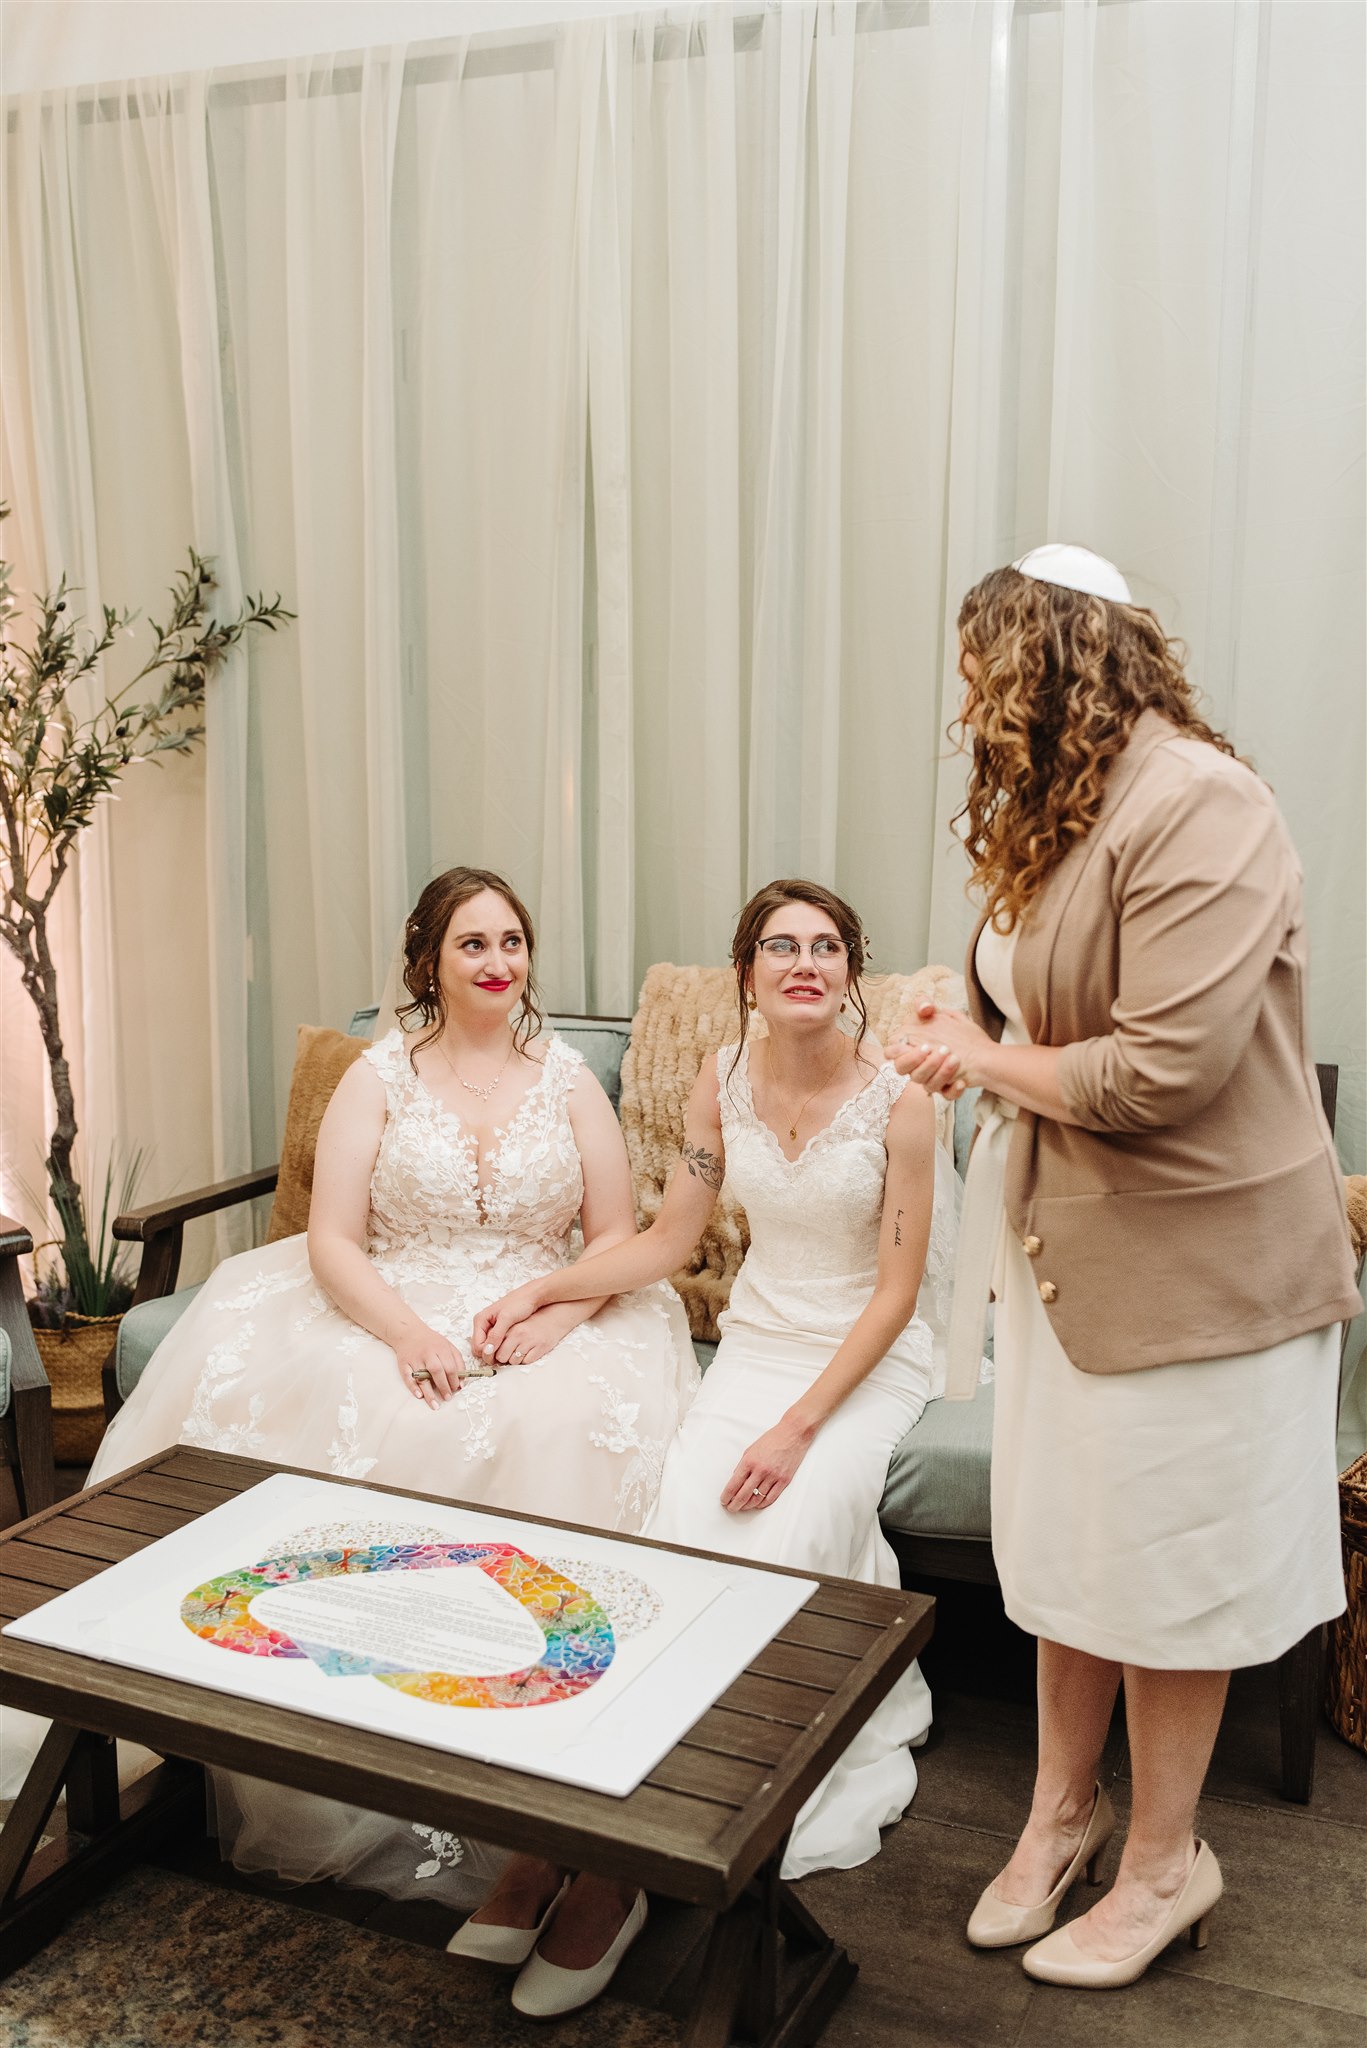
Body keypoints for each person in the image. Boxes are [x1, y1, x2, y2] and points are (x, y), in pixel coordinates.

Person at [887, 545, 1359, 1989]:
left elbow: (1164, 1066)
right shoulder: (1064, 813)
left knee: (1164, 1579)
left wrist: (976, 1057)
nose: (964, 705)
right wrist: (949, 997)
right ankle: (1058, 1816)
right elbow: (1031, 988)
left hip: (1194, 1283)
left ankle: (1167, 1861)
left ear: (1044, 660)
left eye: (977, 672)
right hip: (1064, 1261)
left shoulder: (1202, 805)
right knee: (1068, 1558)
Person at [83, 864, 698, 1899]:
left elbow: (613, 1236)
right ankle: (340, 1727)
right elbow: (331, 1238)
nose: (498, 961)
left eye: (512, 940)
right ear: (429, 958)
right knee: (383, 1416)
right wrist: (408, 1332)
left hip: (547, 1303)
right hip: (387, 1294)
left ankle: (549, 1754)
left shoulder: (567, 1077)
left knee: (554, 1421)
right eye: (473, 943)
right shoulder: (378, 1074)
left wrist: (562, 1310)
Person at [468, 878, 965, 2019]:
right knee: (672, 1533)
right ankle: (574, 1826)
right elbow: (668, 1237)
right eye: (778, 945)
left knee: (779, 1521)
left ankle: (634, 1866)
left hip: (859, 1364)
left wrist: (798, 1430)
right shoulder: (718, 1082)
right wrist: (549, 1284)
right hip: (751, 1349)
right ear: (744, 972)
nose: (803, 961)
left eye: (826, 945)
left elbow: (894, 1298)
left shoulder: (900, 1101)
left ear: (851, 970)